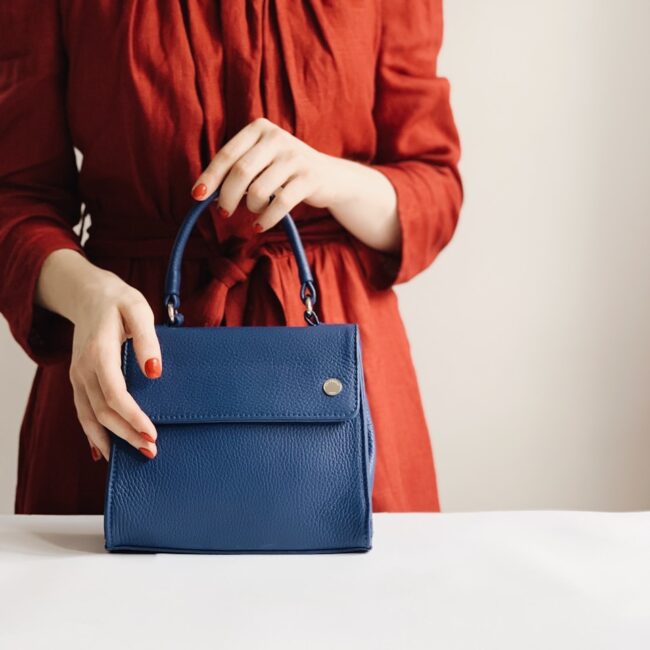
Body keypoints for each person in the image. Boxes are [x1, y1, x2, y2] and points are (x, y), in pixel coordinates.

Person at [0, 1, 463, 514]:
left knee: (363, 588)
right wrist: (85, 292)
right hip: (124, 356)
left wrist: (329, 177)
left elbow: (434, 186)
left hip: (338, 374)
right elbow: (15, 197)